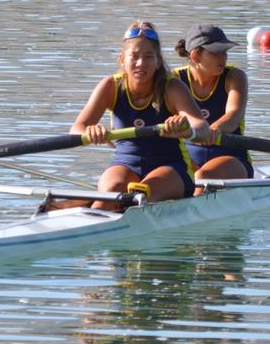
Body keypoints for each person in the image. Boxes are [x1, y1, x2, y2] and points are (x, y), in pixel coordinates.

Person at [72, 21, 212, 208]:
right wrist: (90, 132)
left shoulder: (172, 87)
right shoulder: (110, 87)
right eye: (134, 56)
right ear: (122, 59)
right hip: (125, 163)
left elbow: (202, 128)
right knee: (109, 194)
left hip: (170, 167)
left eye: (148, 57)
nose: (141, 63)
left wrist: (186, 129)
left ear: (158, 61)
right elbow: (76, 129)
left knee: (140, 196)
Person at [173, 24, 253, 189]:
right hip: (188, 159)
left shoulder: (235, 77)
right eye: (217, 52)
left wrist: (211, 130)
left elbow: (234, 116)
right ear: (195, 56)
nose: (223, 57)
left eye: (225, 51)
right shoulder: (174, 79)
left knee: (202, 176)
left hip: (232, 159)